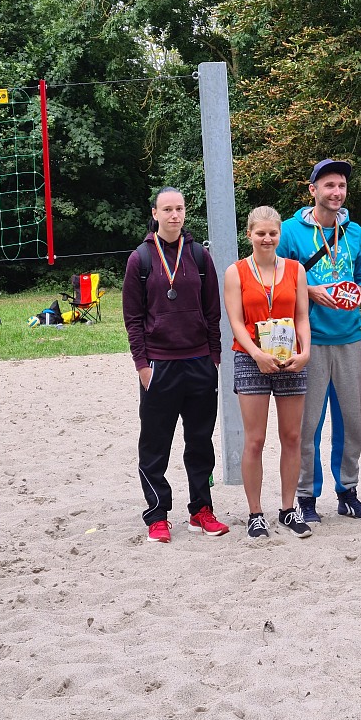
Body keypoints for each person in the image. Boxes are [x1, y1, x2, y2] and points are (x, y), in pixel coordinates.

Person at [123, 187, 229, 543]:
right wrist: (142, 364)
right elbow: (133, 318)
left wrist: (214, 357)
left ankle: (201, 510)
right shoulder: (140, 259)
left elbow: (213, 312)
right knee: (155, 445)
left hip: (199, 363)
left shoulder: (199, 256)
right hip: (159, 365)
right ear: (155, 213)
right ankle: (157, 515)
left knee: (200, 442)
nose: (174, 215)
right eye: (167, 209)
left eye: (179, 209)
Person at [277, 158, 361, 522]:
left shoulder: (356, 233)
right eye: (329, 185)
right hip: (310, 340)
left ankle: (347, 491)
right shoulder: (290, 232)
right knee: (309, 424)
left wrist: (359, 292)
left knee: (351, 421)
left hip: (349, 337)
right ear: (313, 189)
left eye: (342, 186)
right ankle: (306, 496)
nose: (336, 192)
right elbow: (278, 280)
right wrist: (310, 291)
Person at [224, 206, 313, 539]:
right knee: (255, 439)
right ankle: (255, 513)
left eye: (272, 233)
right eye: (260, 233)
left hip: (290, 357)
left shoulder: (295, 269)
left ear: (279, 235)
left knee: (291, 437)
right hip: (251, 357)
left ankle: (288, 510)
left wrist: (306, 351)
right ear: (249, 234)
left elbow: (302, 316)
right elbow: (235, 321)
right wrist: (256, 353)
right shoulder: (236, 272)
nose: (267, 239)